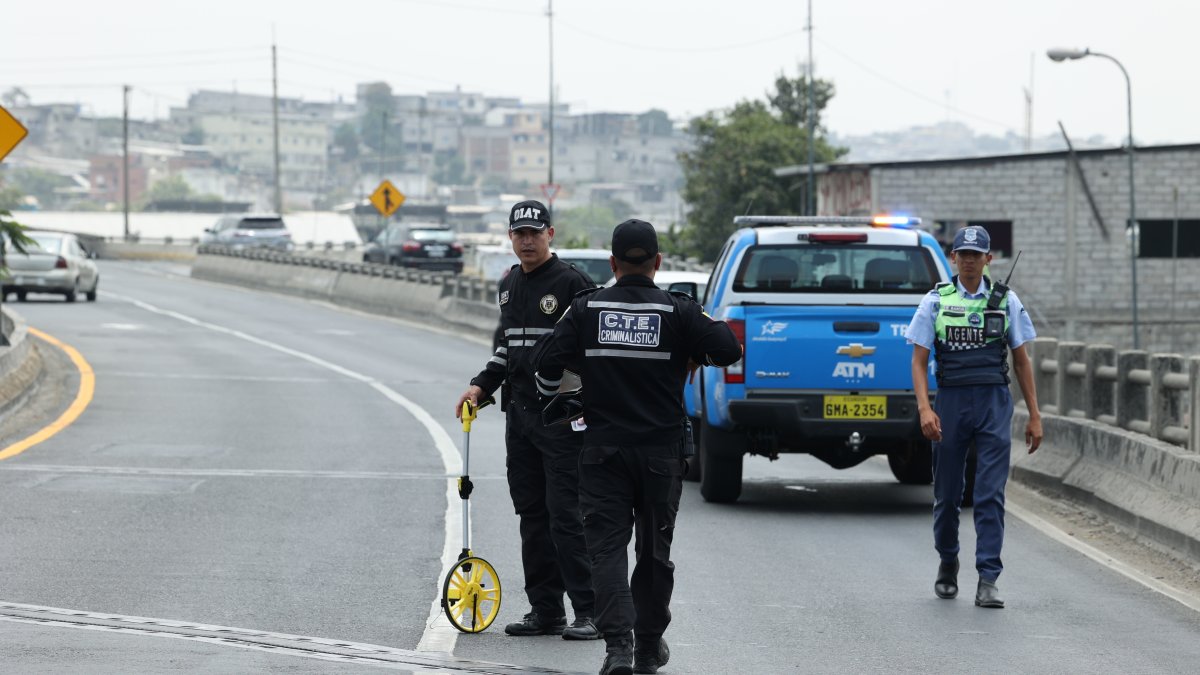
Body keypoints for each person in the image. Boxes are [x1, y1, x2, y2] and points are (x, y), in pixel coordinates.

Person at [532, 219, 742, 675]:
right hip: (661, 453)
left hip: (603, 451)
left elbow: (545, 361)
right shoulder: (678, 310)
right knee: (653, 553)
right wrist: (692, 351)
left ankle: (618, 650)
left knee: (606, 550)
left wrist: (563, 392)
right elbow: (727, 347)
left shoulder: (587, 309)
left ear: (612, 263)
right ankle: (648, 648)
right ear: (658, 263)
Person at [455, 200, 600, 640]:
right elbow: (507, 350)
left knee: (566, 515)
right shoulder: (509, 285)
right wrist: (481, 387)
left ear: (550, 235)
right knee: (532, 515)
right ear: (510, 238)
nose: (527, 240)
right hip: (519, 420)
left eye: (535, 233)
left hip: (561, 421)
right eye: (519, 234)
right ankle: (546, 610)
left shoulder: (573, 282)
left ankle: (589, 611)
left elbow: (594, 349)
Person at [906, 226, 1043, 609]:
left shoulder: (1006, 300)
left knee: (989, 495)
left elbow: (1021, 360)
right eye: (962, 254)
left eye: (975, 254)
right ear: (954, 258)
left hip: (994, 402)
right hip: (950, 402)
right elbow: (918, 361)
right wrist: (924, 408)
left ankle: (988, 579)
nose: (968, 260)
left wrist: (1034, 415)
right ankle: (948, 561)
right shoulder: (935, 300)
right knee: (947, 493)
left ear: (988, 259)